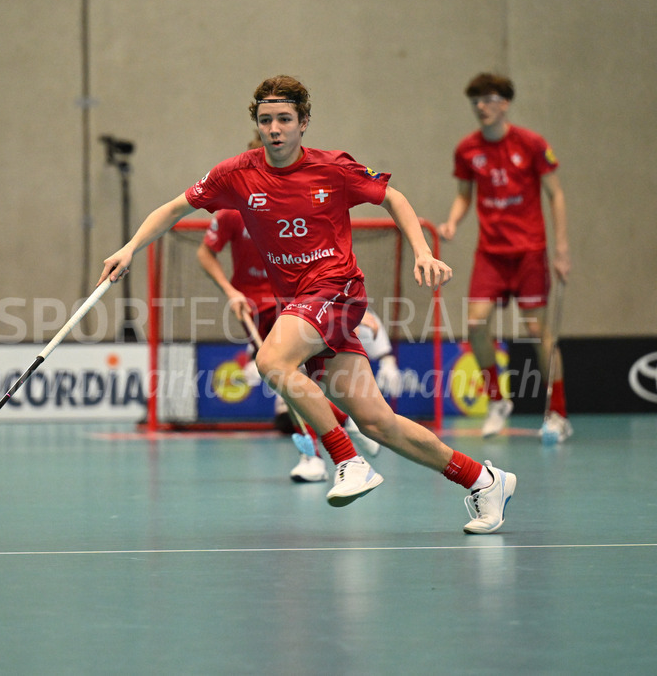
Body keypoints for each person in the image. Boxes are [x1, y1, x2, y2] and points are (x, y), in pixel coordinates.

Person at [101, 75, 516, 534]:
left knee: (272, 360)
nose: (274, 128)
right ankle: (484, 480)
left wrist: (422, 251)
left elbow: (392, 197)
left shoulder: (334, 168)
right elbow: (174, 208)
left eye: (284, 119)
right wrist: (129, 248)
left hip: (336, 288)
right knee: (379, 422)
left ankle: (346, 459)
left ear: (303, 123)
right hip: (300, 302)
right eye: (265, 120)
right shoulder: (236, 174)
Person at [197, 160, 401, 482]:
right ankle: (316, 453)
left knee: (296, 376)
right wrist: (231, 291)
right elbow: (205, 253)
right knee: (284, 375)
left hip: (297, 297)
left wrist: (360, 319)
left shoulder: (293, 202)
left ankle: (332, 436)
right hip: (257, 308)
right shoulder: (232, 213)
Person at [438, 73, 571, 443]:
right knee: (476, 326)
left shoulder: (531, 144)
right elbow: (464, 194)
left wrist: (561, 248)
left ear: (505, 103)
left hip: (529, 252)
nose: (482, 107)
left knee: (535, 330)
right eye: (476, 101)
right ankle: (497, 400)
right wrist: (452, 222)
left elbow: (555, 194)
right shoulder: (467, 149)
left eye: (489, 99)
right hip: (491, 255)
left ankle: (557, 412)